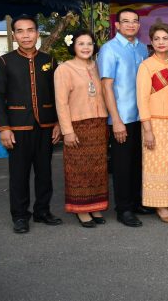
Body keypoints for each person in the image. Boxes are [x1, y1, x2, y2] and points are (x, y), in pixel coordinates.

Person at [0, 15, 62, 234]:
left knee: (44, 172)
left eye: (30, 30)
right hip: (18, 127)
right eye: (20, 31)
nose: (26, 35)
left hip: (46, 125)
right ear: (14, 35)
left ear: (37, 33)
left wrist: (58, 122)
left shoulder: (49, 61)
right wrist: (4, 128)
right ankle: (20, 216)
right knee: (19, 174)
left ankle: (42, 210)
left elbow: (57, 95)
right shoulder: (4, 62)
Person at [98, 8, 150, 227]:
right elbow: (106, 87)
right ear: (117, 25)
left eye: (135, 21)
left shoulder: (141, 48)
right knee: (122, 165)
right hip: (122, 118)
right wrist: (116, 120)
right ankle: (123, 209)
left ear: (139, 25)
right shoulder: (109, 49)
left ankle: (136, 201)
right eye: (125, 21)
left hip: (142, 117)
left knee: (138, 163)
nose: (131, 25)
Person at [54, 29, 108, 228]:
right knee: (79, 170)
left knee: (98, 169)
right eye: (81, 43)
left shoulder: (97, 66)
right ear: (73, 46)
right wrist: (67, 131)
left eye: (89, 44)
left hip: (99, 124)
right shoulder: (64, 69)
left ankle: (95, 206)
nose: (86, 47)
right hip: (77, 126)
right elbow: (61, 103)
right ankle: (81, 209)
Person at [136, 22, 168, 223]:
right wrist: (147, 130)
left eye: (165, 39)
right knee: (157, 166)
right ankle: (159, 206)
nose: (161, 42)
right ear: (151, 42)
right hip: (154, 123)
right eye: (157, 39)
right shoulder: (146, 66)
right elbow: (142, 99)